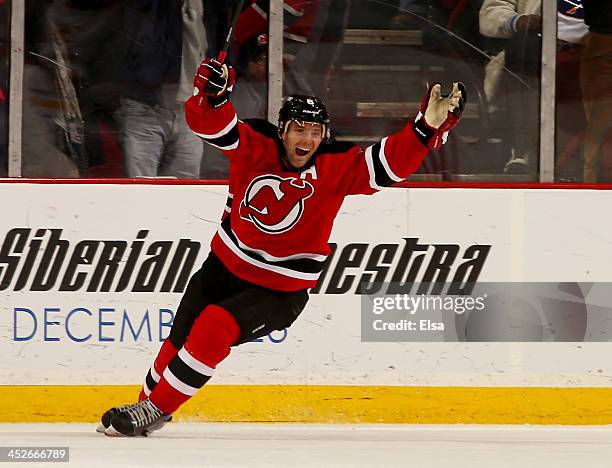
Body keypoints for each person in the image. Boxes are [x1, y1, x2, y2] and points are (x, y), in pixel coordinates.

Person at [98, 57, 466, 437]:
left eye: (315, 132)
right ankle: (144, 407)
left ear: (324, 135)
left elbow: (391, 163)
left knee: (214, 327)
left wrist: (424, 130)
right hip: (222, 267)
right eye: (298, 130)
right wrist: (213, 95)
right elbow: (209, 124)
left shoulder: (338, 165)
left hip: (279, 290)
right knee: (176, 343)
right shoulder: (255, 143)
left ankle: (154, 410)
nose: (307, 140)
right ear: (283, 131)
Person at [119, 0, 207, 178]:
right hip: (145, 107)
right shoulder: (152, 8)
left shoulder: (205, 6)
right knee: (142, 192)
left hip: (190, 110)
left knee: (188, 194)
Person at [580, 0, 612, 183]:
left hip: (602, 39)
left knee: (597, 122)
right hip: (601, 38)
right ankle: (590, 180)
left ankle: (589, 181)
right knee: (597, 120)